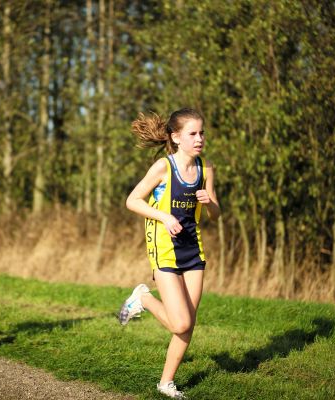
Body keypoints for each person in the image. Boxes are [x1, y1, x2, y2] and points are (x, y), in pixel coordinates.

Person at [118, 108, 220, 399]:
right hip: (164, 247)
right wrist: (164, 217)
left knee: (189, 321)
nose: (199, 138)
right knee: (181, 322)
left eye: (202, 133)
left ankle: (166, 383)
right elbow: (132, 201)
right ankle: (144, 298)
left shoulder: (206, 168)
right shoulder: (164, 167)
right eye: (193, 134)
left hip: (193, 248)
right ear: (176, 138)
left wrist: (208, 202)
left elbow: (215, 214)